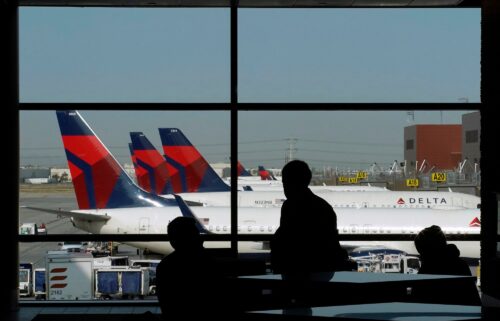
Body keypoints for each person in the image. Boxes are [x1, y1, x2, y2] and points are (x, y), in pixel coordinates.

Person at [270, 160, 348, 309]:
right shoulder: (323, 207)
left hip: (299, 271)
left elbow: (286, 238)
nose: (285, 188)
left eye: (286, 183)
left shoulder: (290, 206)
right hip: (319, 273)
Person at [156, 217, 231, 321]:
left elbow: (167, 306)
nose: (201, 238)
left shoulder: (165, 266)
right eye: (197, 234)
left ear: (173, 241)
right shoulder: (209, 263)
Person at [411, 225, 480, 305]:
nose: (420, 257)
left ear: (426, 252)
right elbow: (473, 299)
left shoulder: (426, 271)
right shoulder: (461, 265)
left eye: (421, 253)